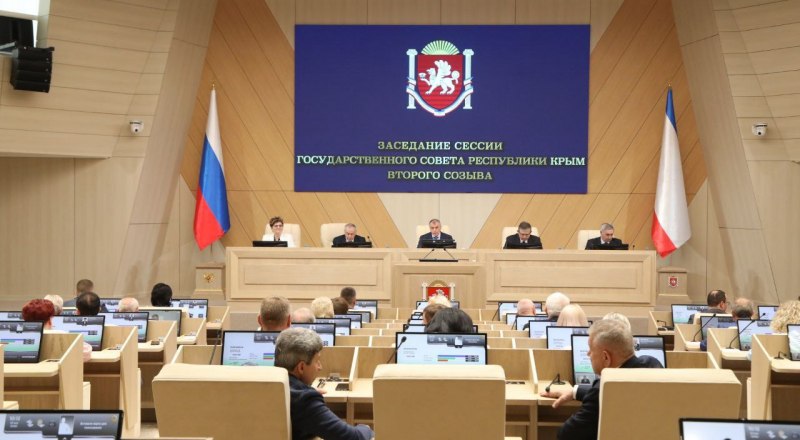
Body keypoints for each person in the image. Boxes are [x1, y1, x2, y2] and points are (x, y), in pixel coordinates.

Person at [540, 319, 663, 440]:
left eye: (591, 349)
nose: (588, 354)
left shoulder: (600, 391)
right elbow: (619, 392)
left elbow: (566, 434)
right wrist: (575, 391)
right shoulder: (653, 365)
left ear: (606, 357)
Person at [275, 327, 374, 440]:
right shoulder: (304, 400)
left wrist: (305, 389)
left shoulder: (265, 388)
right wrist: (365, 428)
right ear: (301, 367)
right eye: (317, 361)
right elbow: (353, 437)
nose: (320, 367)